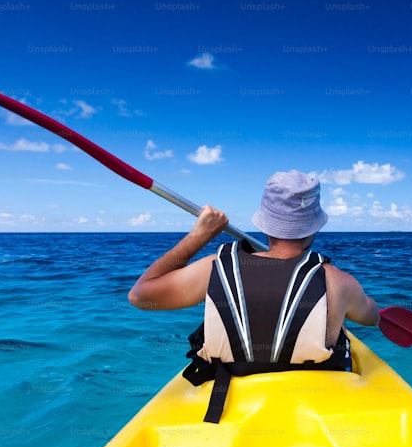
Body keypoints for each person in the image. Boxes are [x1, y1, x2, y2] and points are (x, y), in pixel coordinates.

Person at [128, 170, 379, 422]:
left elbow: (140, 295)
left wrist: (198, 237)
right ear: (314, 226)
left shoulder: (212, 269)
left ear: (265, 222)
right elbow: (371, 317)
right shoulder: (340, 282)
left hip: (225, 410)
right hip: (314, 410)